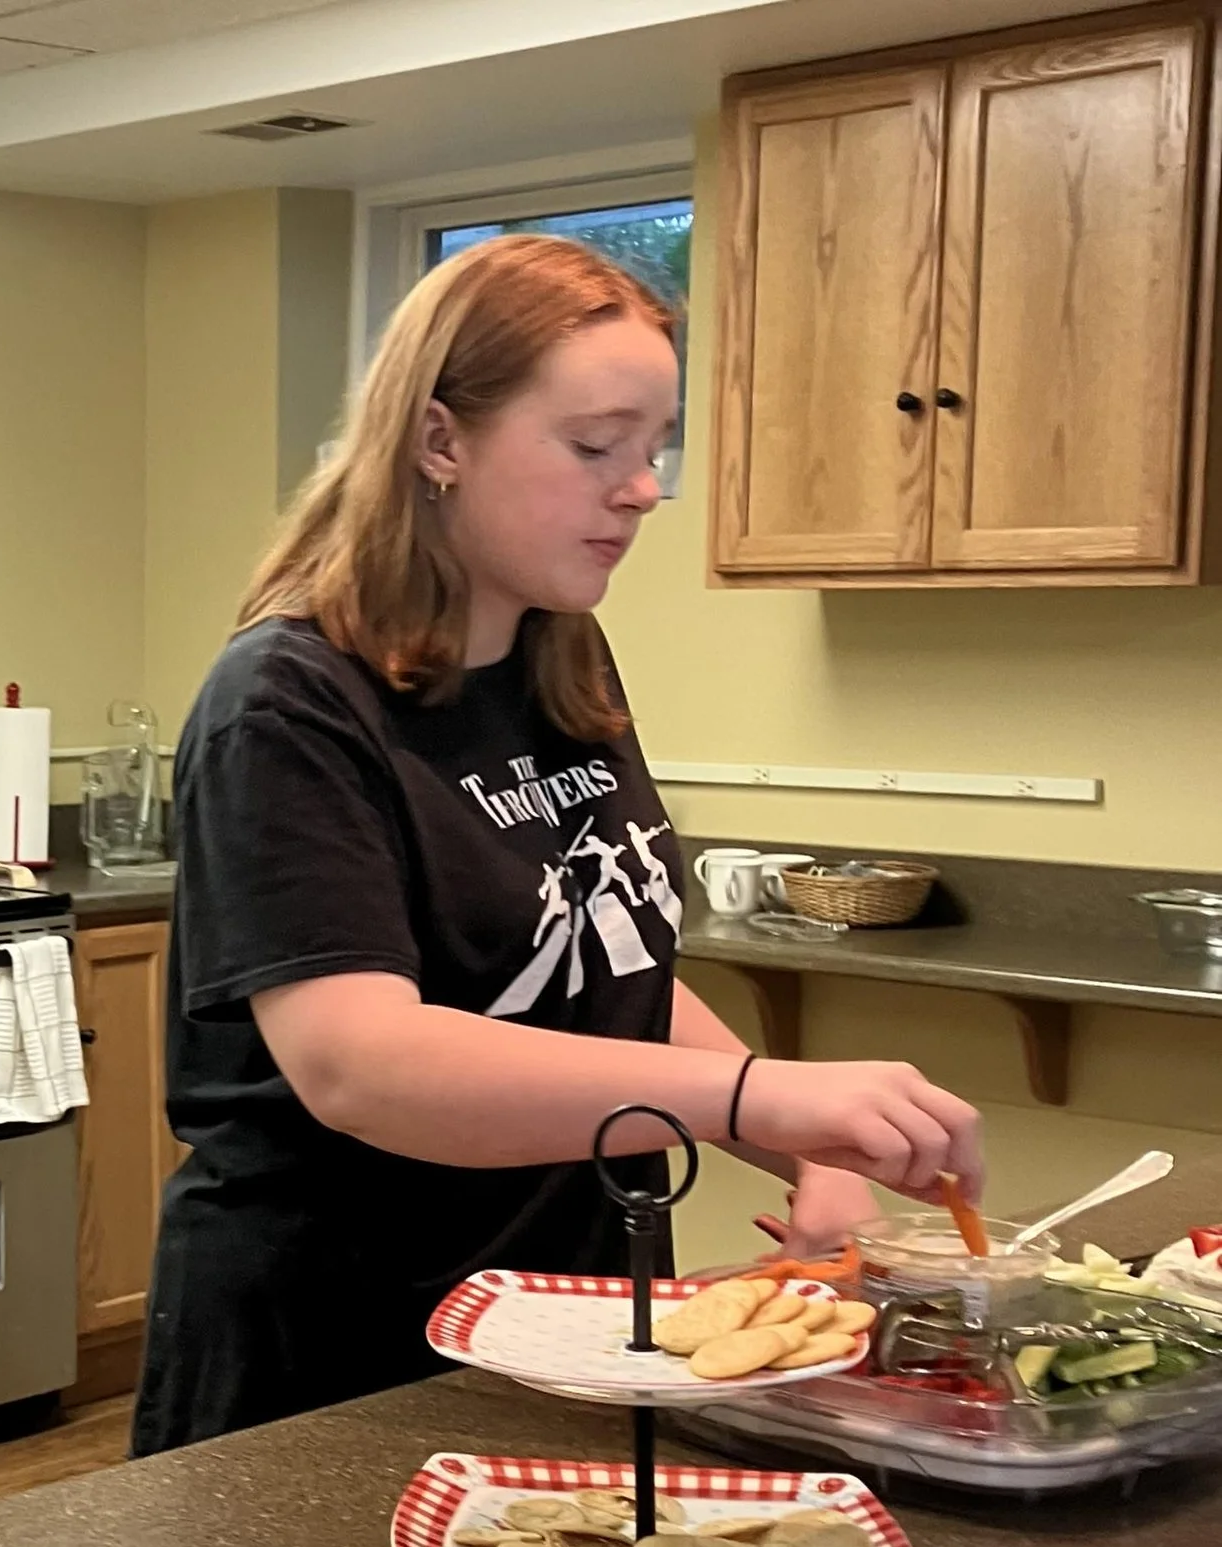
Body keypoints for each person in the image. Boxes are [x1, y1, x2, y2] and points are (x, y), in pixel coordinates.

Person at [133, 235, 983, 1456]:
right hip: (339, 1347)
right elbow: (357, 1065)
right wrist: (754, 1092)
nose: (639, 488)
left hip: (566, 1318)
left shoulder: (553, 652)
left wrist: (802, 1137)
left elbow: (604, 962)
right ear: (438, 442)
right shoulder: (288, 701)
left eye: (652, 449)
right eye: (595, 447)